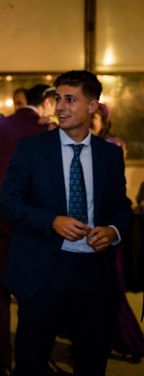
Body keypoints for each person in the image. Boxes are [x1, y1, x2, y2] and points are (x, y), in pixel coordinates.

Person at [0, 70, 131, 376]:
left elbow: (121, 207)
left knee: (91, 360)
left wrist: (113, 231)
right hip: (43, 271)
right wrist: (52, 221)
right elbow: (8, 204)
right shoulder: (32, 149)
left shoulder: (110, 155)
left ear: (93, 106)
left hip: (95, 274)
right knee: (31, 361)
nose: (61, 107)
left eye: (70, 99)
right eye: (58, 99)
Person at [0, 83, 57, 376]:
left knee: (0, 291)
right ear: (45, 102)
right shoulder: (49, 132)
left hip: (0, 216)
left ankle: (3, 361)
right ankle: (35, 359)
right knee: (37, 292)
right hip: (34, 221)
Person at [90, 102, 144, 360]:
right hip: (82, 229)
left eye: (95, 118)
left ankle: (129, 342)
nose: (90, 123)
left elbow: (113, 190)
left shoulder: (113, 146)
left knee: (112, 291)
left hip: (107, 226)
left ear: (103, 120)